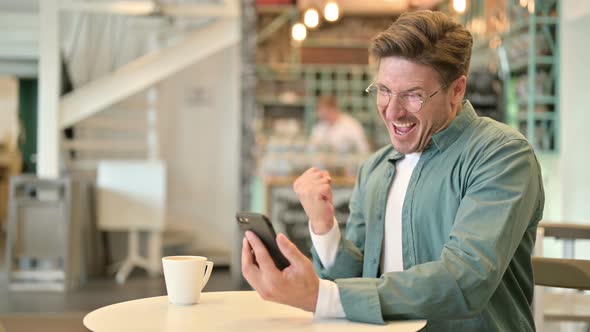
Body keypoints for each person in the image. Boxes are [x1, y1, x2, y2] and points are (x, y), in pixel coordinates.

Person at [241, 10, 544, 331]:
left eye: (413, 95)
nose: (393, 110)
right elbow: (356, 281)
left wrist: (321, 297)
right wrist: (323, 225)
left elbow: (465, 279)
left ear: (457, 89)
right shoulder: (375, 167)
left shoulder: (500, 155)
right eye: (384, 90)